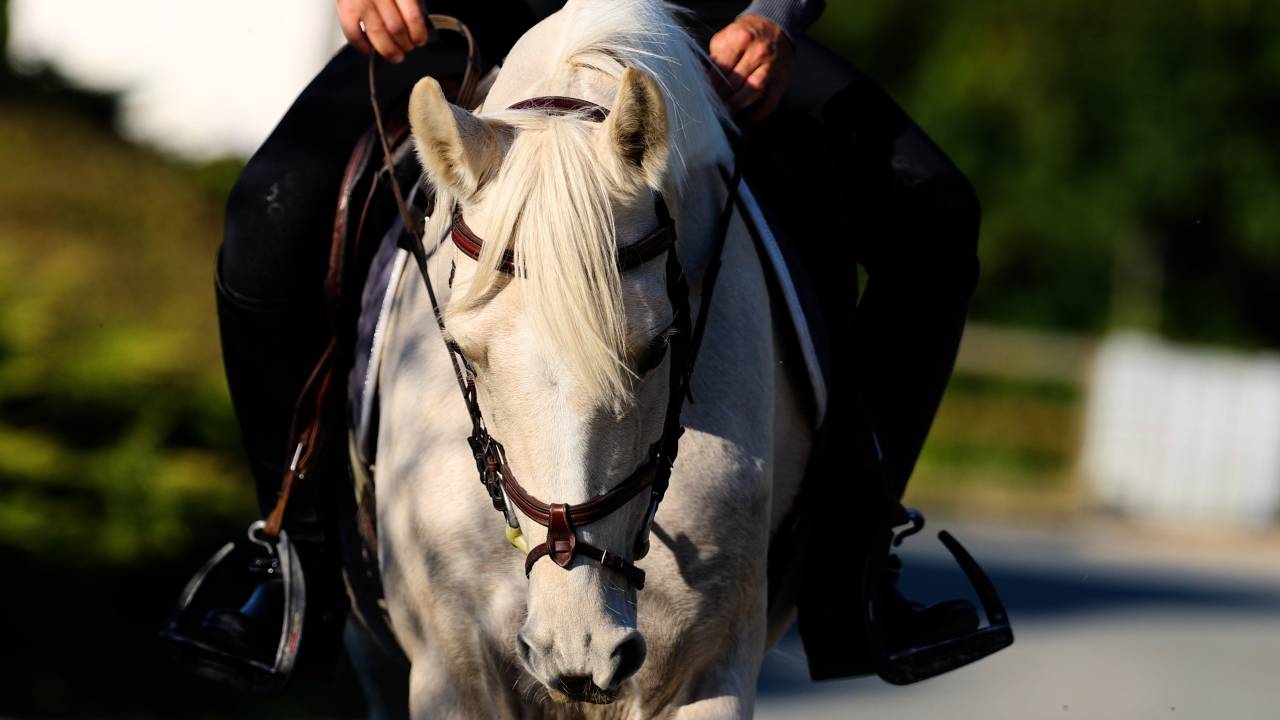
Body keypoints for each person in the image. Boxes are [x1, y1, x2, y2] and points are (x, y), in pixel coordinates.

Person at [205, 0, 985, 683]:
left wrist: (774, 14)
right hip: (465, 13)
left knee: (934, 215)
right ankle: (291, 559)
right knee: (264, 227)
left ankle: (855, 569)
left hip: (700, 25)